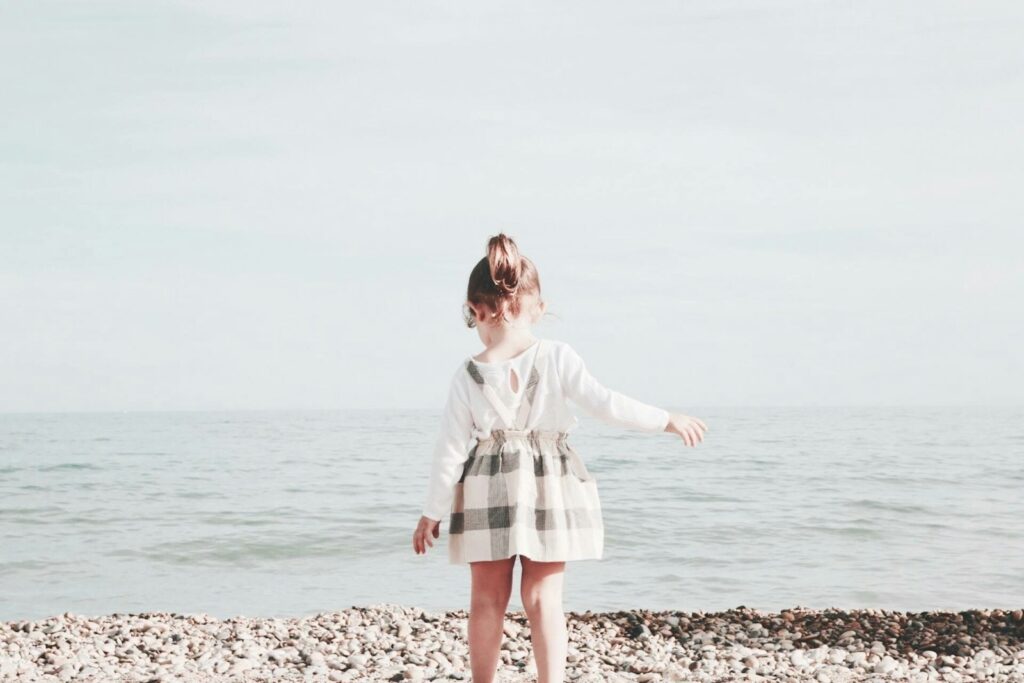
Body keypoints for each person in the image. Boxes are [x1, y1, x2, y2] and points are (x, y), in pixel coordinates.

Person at [412, 233, 707, 683]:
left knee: (487, 599)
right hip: (549, 483)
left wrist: (431, 513)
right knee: (544, 598)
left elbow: (450, 449)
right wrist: (665, 419)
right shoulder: (556, 356)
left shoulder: (467, 374)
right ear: (539, 307)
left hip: (485, 485)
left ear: (475, 309)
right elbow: (605, 404)